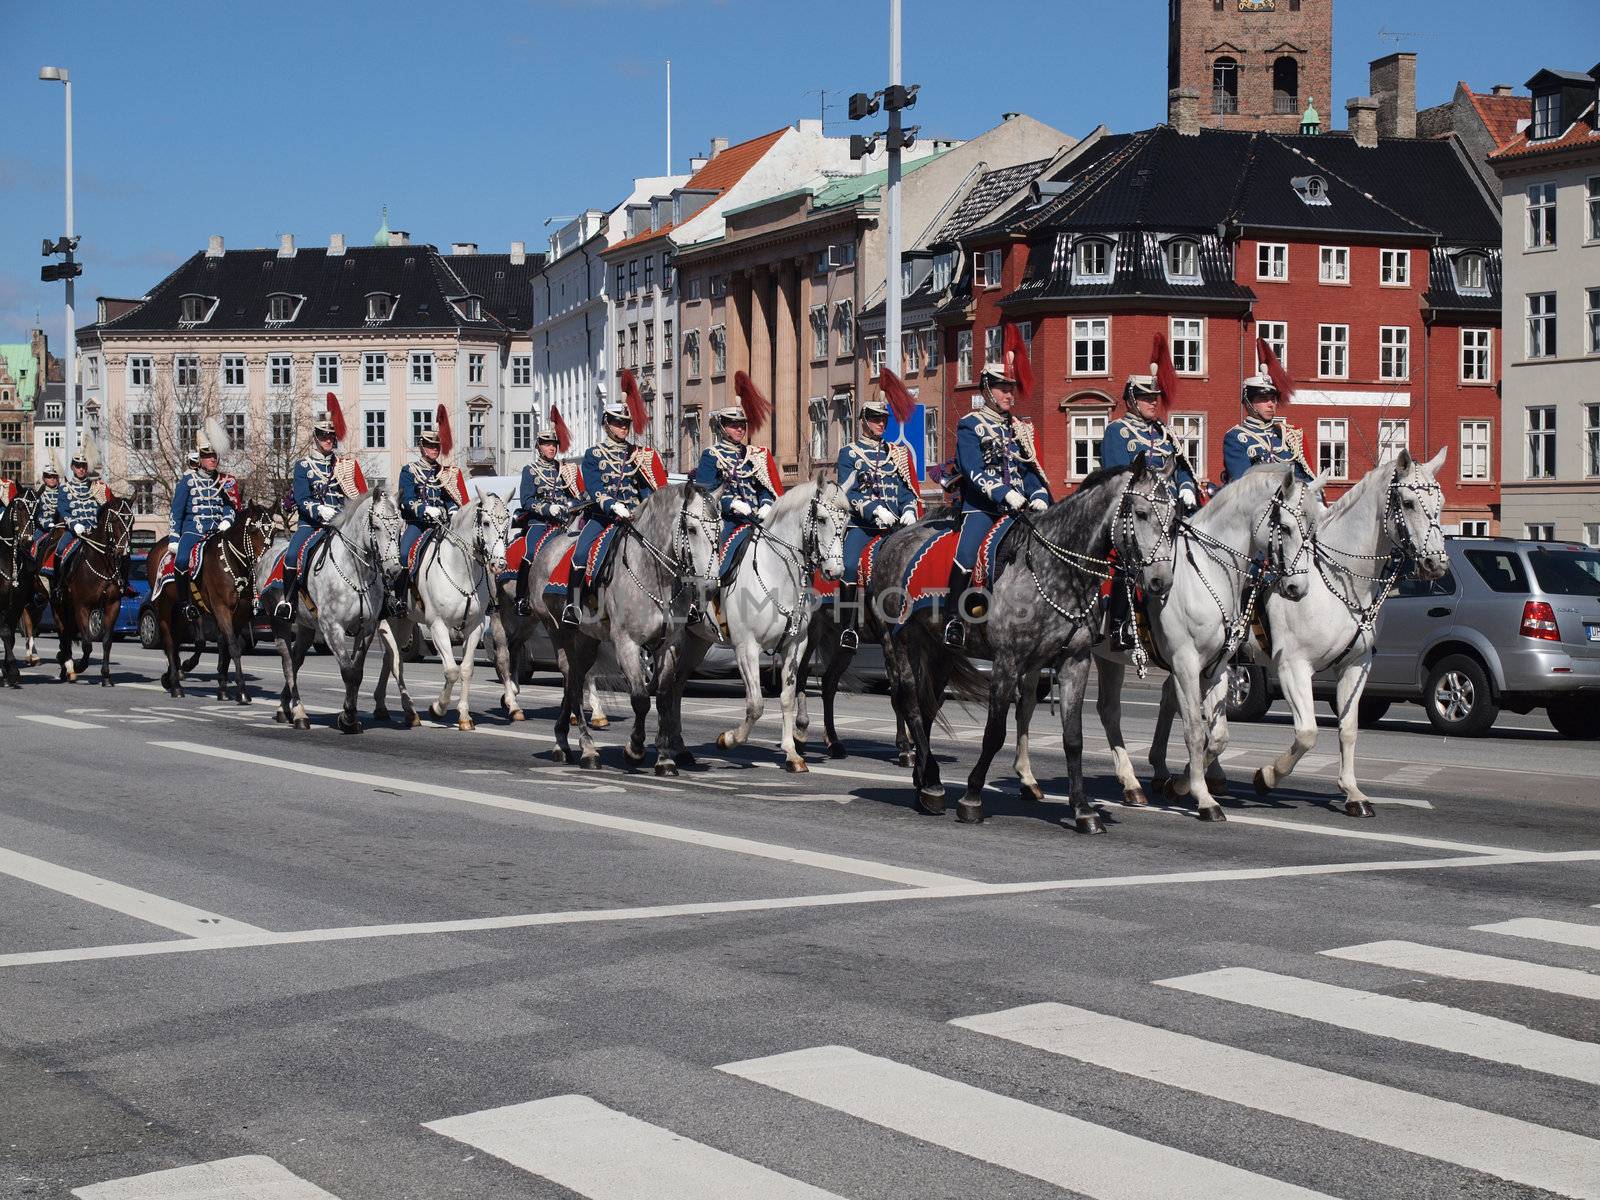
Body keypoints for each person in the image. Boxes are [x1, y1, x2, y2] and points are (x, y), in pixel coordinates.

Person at [946, 363, 1050, 648]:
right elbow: (972, 469)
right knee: (967, 553)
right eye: (1003, 389)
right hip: (984, 508)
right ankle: (953, 619)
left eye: (1011, 389)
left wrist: (1039, 493)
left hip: (1020, 509)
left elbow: (1029, 470)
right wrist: (1004, 493)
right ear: (988, 391)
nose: (1009, 395)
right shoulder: (971, 424)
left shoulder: (1019, 429)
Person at [567, 397, 665, 625]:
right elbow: (594, 488)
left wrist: (649, 509)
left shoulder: (638, 455)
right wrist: (612, 505)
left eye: (625, 423)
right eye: (617, 422)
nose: (622, 427)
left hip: (633, 517)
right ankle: (573, 604)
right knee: (581, 551)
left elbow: (646, 489)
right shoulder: (594, 454)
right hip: (604, 517)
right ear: (607, 424)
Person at [835, 395, 918, 650]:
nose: (880, 423)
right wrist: (875, 510)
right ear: (863, 422)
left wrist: (910, 509)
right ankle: (847, 627)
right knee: (848, 565)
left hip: (895, 526)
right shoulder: (849, 453)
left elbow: (906, 489)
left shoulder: (898, 453)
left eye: (883, 419)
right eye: (874, 418)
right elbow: (848, 492)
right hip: (864, 525)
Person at [282, 398, 367, 620]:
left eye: (331, 436)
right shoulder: (303, 466)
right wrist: (318, 510)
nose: (328, 440)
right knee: (291, 556)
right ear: (316, 439)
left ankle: (377, 601)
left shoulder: (344, 465)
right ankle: (288, 602)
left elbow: (357, 495)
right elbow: (301, 498)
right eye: (323, 436)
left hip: (340, 524)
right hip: (311, 525)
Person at [690, 397, 782, 551]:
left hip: (759, 520)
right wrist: (731, 504)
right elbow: (704, 495)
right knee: (718, 560)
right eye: (734, 426)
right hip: (730, 521)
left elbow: (763, 487)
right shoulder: (712, 455)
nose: (740, 430)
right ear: (722, 427)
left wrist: (766, 503)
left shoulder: (753, 455)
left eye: (742, 426)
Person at [1101, 372, 1201, 511]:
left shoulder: (1164, 431)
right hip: (1142, 509)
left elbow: (1181, 466)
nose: (1153, 402)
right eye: (1147, 399)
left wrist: (1186, 487)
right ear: (1131, 401)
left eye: (1154, 398)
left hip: (1175, 506)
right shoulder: (1117, 431)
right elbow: (1120, 479)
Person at [169, 422, 239, 621]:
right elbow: (176, 512)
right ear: (200, 459)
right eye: (208, 456)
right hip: (194, 532)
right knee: (182, 561)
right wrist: (175, 537)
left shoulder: (223, 481)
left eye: (214, 456)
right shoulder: (187, 481)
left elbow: (230, 506)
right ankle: (185, 603)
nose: (212, 459)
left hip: (217, 532)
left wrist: (227, 519)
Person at [512, 422, 582, 616]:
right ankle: (521, 598)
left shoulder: (566, 470)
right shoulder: (531, 470)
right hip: (540, 523)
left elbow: (577, 494)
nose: (551, 448)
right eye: (546, 444)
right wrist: (547, 508)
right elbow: (526, 500)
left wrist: (572, 505)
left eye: (554, 444)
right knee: (530, 553)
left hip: (565, 524)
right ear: (538, 446)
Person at [396, 417, 465, 610]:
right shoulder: (409, 470)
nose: (434, 449)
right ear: (422, 447)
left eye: (437, 446)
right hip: (418, 524)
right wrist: (424, 509)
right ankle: (400, 599)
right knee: (403, 554)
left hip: (441, 524)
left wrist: (452, 509)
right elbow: (406, 499)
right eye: (430, 446)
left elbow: (449, 496)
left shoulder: (444, 473)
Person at [1221, 371, 1313, 485]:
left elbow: (1305, 479)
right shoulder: (1236, 437)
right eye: (1264, 399)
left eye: (1273, 399)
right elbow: (1242, 484)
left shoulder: (1288, 435)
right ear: (1249, 402)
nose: (1271, 404)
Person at [56, 442, 114, 573]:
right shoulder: (65, 488)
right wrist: (74, 524)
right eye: (77, 466)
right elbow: (63, 509)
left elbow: (106, 507)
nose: (81, 469)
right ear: (72, 467)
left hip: (94, 531)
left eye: (83, 466)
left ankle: (122, 582)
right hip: (74, 532)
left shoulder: (96, 486)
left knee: (117, 549)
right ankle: (57, 584)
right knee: (60, 549)